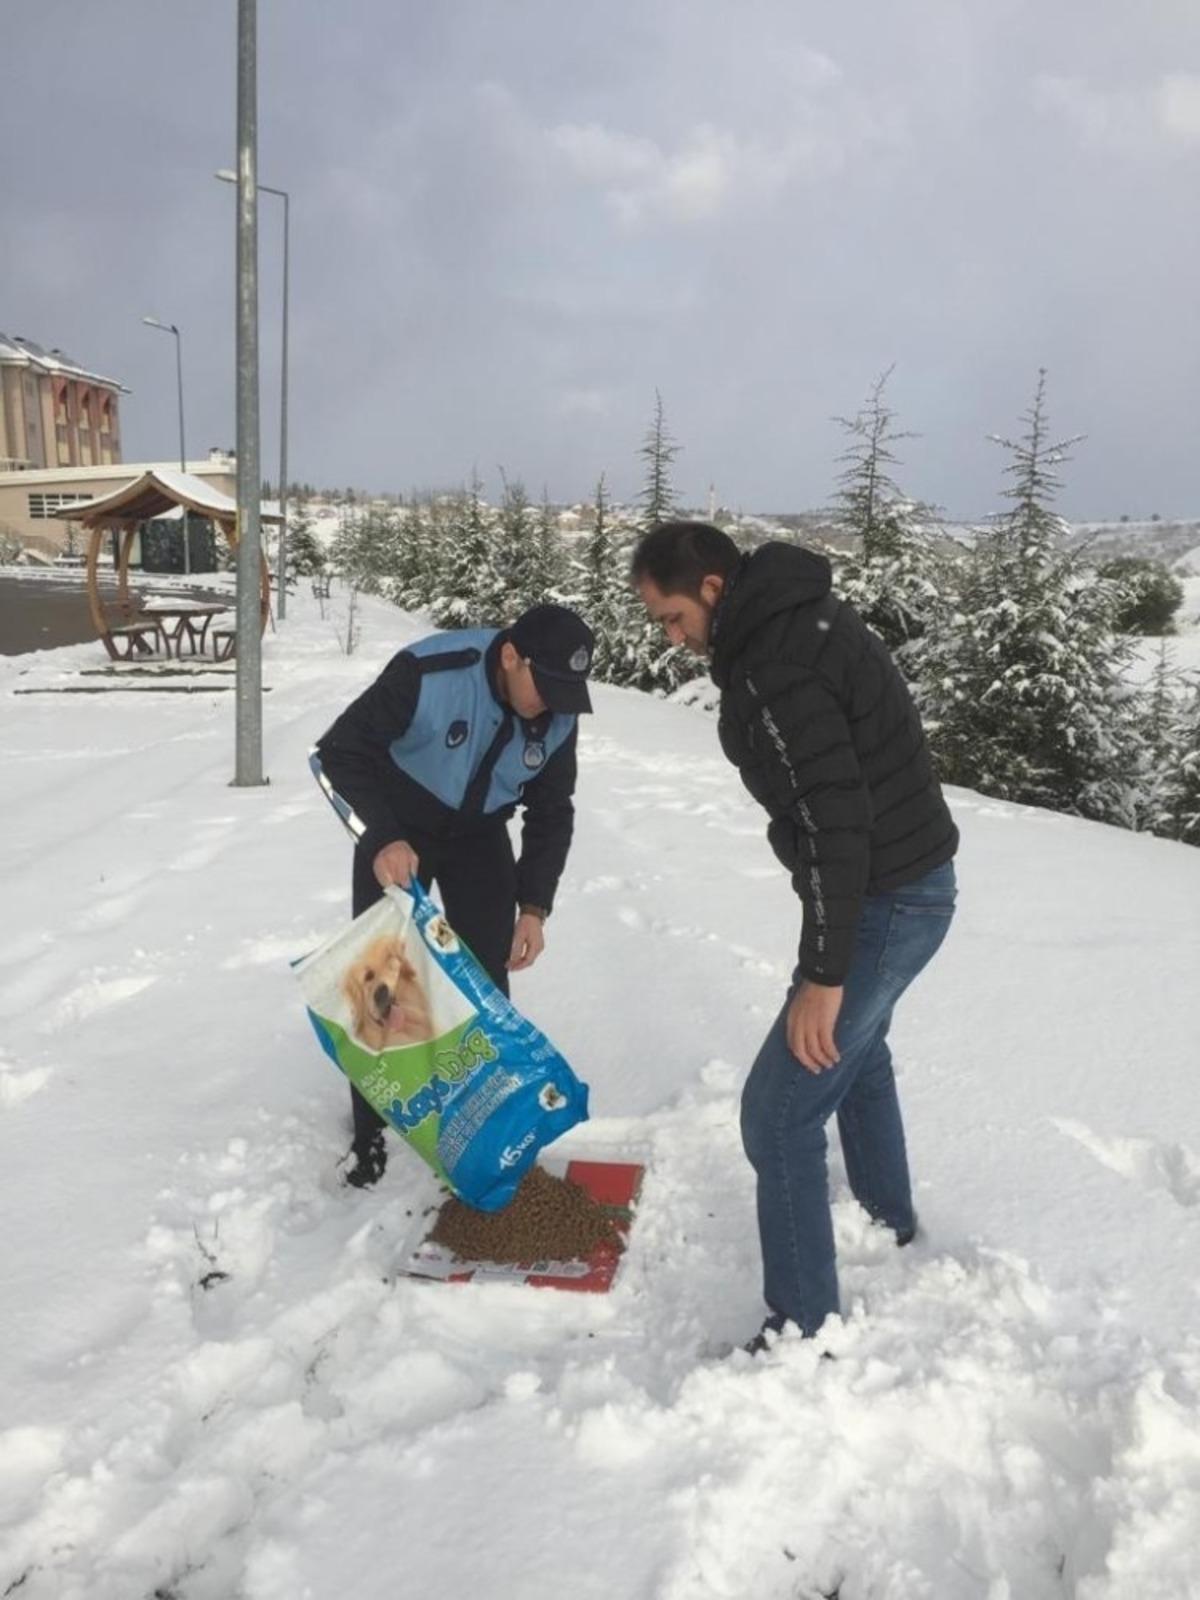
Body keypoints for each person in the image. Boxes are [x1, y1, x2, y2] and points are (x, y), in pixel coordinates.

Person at [632, 521, 958, 1348]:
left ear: (712, 588)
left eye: (673, 617)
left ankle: (804, 1330)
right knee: (857, 1051)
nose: (671, 639)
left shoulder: (776, 663)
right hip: (904, 885)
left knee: (777, 1114)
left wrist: (824, 972)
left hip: (890, 896)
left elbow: (834, 822)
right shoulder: (789, 622)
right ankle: (885, 1220)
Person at [310, 602, 596, 1187]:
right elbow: (337, 754)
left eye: (565, 693)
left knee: (486, 979)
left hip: (479, 835)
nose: (552, 706)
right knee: (382, 979)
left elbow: (551, 812)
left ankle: (483, 1121)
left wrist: (534, 907)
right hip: (398, 826)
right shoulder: (431, 672)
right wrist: (381, 837)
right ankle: (371, 1135)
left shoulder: (558, 713)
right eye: (544, 687)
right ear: (511, 657)